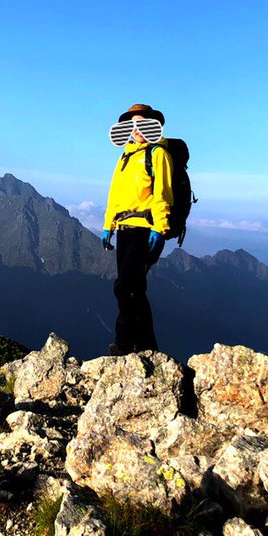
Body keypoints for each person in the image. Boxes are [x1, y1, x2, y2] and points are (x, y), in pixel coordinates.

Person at [102, 103, 174, 355]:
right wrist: (108, 225)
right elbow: (116, 195)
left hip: (145, 229)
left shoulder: (157, 154)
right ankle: (147, 346)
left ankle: (123, 344)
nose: (137, 129)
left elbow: (163, 193)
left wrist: (161, 229)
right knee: (134, 289)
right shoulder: (125, 156)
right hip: (124, 229)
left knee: (124, 286)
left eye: (143, 123)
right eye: (132, 125)